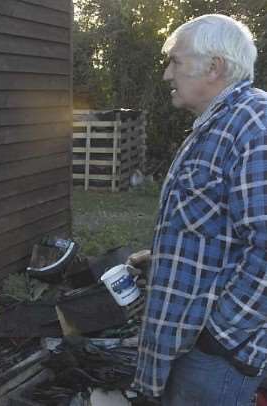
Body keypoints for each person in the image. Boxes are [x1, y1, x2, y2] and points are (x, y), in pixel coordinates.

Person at [131, 14, 267, 405]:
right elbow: (221, 230)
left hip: (215, 359)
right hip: (191, 346)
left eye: (175, 61)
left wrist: (218, 338)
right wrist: (162, 259)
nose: (166, 75)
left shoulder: (253, 126)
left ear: (215, 66)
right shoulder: (219, 124)